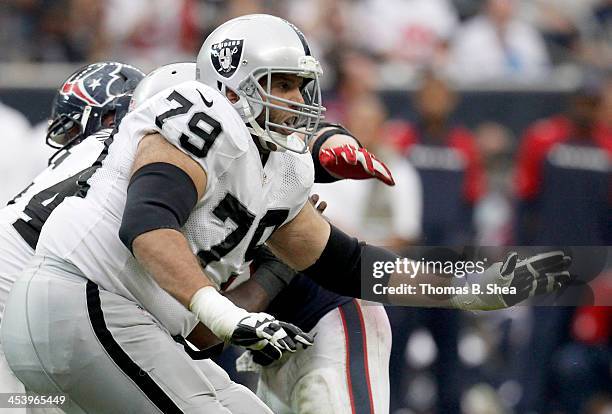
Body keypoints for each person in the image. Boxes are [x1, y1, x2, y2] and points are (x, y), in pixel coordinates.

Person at [1, 14, 572, 414]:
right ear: (233, 80)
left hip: (111, 317)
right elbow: (147, 223)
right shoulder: (197, 112)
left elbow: (352, 267)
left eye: (305, 86)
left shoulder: (278, 170)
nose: (301, 101)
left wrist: (472, 283)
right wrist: (230, 317)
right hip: (80, 296)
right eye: (285, 85)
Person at [0, 61, 145, 413]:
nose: (65, 142)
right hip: (25, 289)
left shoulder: (108, 152)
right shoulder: (125, 155)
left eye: (70, 129)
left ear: (111, 118)